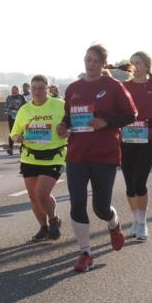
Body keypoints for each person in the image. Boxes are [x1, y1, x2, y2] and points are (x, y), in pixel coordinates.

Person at [58, 44, 137, 272]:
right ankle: (85, 253)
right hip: (77, 154)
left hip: (105, 153)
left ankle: (113, 224)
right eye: (87, 59)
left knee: (101, 207)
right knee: (77, 203)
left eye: (94, 60)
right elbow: (68, 117)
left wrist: (106, 122)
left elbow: (131, 114)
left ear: (103, 64)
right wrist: (63, 127)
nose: (89, 64)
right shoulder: (73, 88)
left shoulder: (113, 86)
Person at [9, 75, 66, 242]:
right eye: (34, 88)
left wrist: (67, 132)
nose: (37, 91)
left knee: (42, 193)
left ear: (48, 88)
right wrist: (16, 137)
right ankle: (43, 227)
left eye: (41, 88)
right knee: (34, 196)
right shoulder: (25, 110)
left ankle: (53, 220)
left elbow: (72, 126)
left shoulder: (60, 105)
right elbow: (13, 132)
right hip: (30, 157)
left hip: (54, 156)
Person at [118, 52, 152, 240]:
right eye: (132, 63)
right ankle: (136, 220)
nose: (135, 66)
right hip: (126, 138)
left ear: (147, 66)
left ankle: (143, 222)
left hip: (148, 138)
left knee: (140, 181)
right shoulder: (123, 86)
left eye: (138, 63)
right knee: (130, 184)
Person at [4, 86, 27, 155]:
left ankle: (22, 147)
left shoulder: (22, 98)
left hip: (20, 118)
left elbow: (25, 107)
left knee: (22, 132)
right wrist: (9, 112)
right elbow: (6, 107)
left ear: (18, 91)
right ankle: (10, 148)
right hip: (11, 117)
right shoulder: (9, 98)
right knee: (12, 132)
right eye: (13, 90)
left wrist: (18, 112)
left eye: (15, 90)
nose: (14, 92)